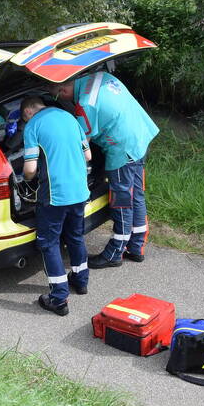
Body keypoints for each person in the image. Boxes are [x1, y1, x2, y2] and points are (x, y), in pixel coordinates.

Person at [54, 71, 158, 268]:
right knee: (136, 194)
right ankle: (136, 246)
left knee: (121, 200)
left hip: (122, 148)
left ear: (64, 89)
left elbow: (81, 144)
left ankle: (115, 253)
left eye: (58, 95)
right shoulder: (99, 76)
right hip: (140, 135)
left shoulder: (86, 104)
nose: (61, 99)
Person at [21, 95, 92, 316]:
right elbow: (87, 155)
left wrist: (26, 180)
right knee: (75, 236)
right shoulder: (69, 117)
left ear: (27, 112)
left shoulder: (33, 125)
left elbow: (30, 169)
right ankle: (80, 281)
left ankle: (58, 298)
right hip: (80, 191)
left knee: (49, 243)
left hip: (55, 195)